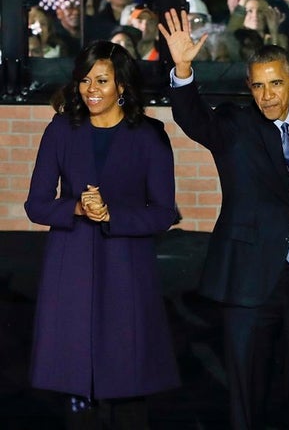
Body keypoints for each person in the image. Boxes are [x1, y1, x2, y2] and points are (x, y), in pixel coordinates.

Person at [158, 9, 289, 430]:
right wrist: (182, 69)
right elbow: (192, 118)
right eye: (258, 85)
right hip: (248, 280)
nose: (267, 95)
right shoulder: (234, 124)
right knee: (247, 395)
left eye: (276, 83)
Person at [24, 40, 179, 430]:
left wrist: (112, 214)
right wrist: (76, 206)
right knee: (77, 388)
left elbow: (162, 213)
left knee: (127, 385)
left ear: (122, 86)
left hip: (126, 270)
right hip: (70, 268)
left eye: (102, 80)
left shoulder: (150, 136)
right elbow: (36, 204)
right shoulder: (60, 129)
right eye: (85, 79)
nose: (91, 89)